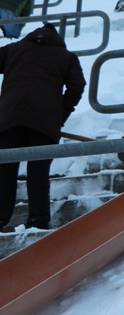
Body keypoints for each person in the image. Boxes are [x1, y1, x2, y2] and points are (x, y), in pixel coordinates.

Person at [0, 22, 86, 230]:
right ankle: (38, 221)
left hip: (10, 118)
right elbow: (78, 86)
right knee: (38, 171)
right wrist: (60, 114)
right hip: (44, 121)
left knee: (5, 170)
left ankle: (0, 219)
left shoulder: (14, 49)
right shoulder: (66, 57)